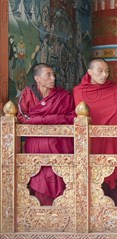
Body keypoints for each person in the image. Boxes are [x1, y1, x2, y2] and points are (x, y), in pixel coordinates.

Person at [73, 58, 117, 207]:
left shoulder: (114, 89)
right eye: (100, 71)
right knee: (93, 176)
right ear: (89, 72)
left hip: (115, 143)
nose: (104, 75)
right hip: (93, 144)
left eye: (107, 71)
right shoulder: (79, 91)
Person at [17, 63, 76, 206]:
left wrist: (45, 119)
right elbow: (22, 117)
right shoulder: (27, 94)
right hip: (37, 145)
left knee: (60, 176)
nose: (53, 78)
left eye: (53, 74)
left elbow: (73, 117)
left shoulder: (63, 96)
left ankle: (61, 212)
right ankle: (40, 213)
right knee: (40, 177)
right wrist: (49, 119)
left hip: (59, 144)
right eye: (48, 75)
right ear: (37, 78)